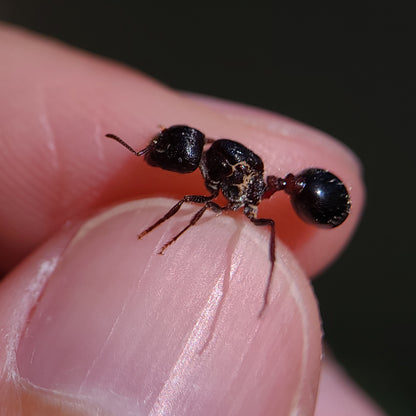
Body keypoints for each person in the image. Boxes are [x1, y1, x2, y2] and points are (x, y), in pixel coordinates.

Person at [0, 23, 385, 415]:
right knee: (198, 202)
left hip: (314, 194)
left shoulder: (230, 170)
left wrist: (169, 233)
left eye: (165, 153)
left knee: (194, 202)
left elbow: (207, 188)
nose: (156, 159)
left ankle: (257, 281)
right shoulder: (221, 159)